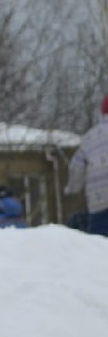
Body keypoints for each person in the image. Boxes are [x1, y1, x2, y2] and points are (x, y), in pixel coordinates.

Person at [65, 94, 108, 236]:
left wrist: (72, 188)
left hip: (99, 201)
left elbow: (76, 167)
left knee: (99, 244)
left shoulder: (90, 137)